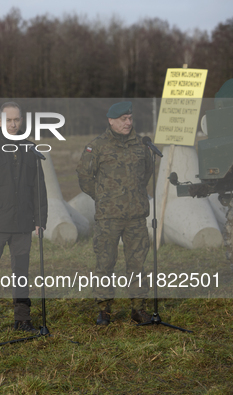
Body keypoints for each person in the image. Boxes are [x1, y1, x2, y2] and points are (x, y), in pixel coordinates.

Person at [0, 102, 48, 339]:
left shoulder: (30, 149)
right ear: (0, 122)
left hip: (23, 223)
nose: (13, 124)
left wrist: (40, 219)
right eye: (9, 120)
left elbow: (38, 188)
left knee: (21, 272)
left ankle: (22, 319)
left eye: (17, 120)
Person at [76, 101, 153, 326]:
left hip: (136, 216)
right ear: (111, 121)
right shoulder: (97, 146)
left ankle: (138, 309)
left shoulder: (142, 145)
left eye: (130, 118)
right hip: (108, 217)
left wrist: (133, 195)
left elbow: (147, 173)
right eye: (123, 119)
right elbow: (84, 177)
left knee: (137, 263)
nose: (128, 122)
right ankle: (104, 310)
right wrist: (103, 197)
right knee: (105, 263)